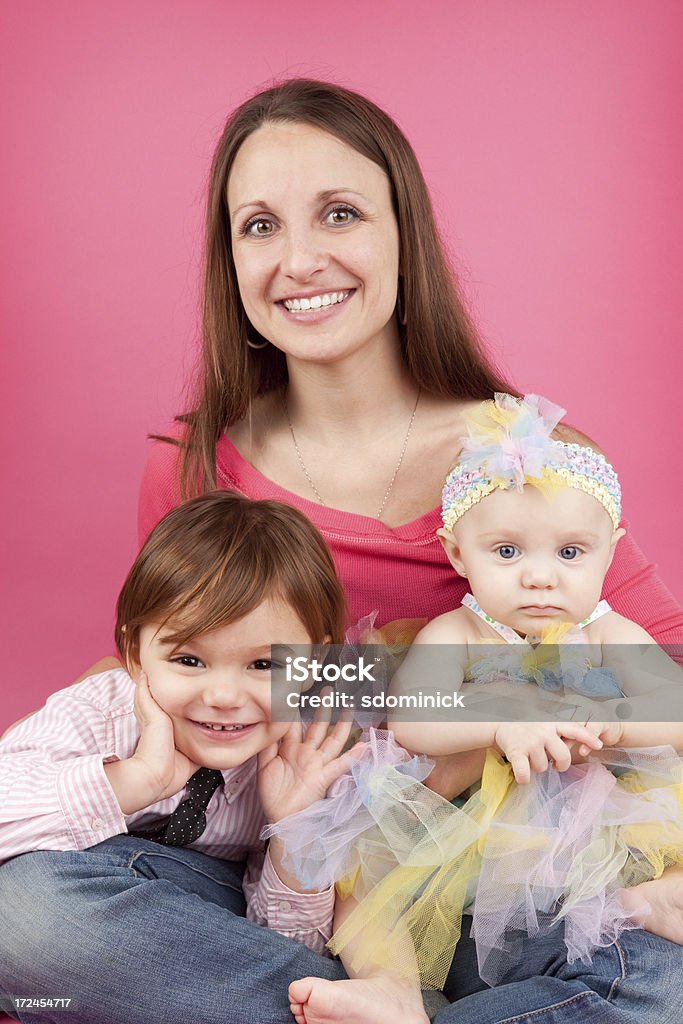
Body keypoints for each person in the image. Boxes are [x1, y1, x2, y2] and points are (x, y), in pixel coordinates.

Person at [5, 78, 683, 1024]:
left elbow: (659, 672)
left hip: (506, 881)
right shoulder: (193, 462)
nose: (298, 259)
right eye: (258, 227)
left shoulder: (516, 459)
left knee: (665, 970)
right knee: (27, 917)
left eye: (338, 213)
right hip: (273, 879)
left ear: (404, 234)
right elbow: (179, 669)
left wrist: (396, 700)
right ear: (228, 261)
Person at [272, 393, 683, 1024]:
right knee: (358, 877)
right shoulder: (458, 632)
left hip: (593, 824)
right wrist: (501, 721)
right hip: (453, 824)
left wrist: (615, 718)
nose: (540, 578)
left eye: (570, 553)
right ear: (459, 554)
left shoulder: (608, 631)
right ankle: (390, 984)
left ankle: (644, 903)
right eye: (508, 552)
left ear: (610, 549)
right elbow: (415, 716)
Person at [0, 491, 363, 1022]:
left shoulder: (304, 755)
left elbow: (288, 945)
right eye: (189, 659)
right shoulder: (101, 709)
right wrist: (135, 781)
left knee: (22, 910)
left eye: (264, 666)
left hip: (204, 923)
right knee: (23, 906)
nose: (223, 696)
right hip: (99, 917)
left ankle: (339, 1005)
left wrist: (291, 831)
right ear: (133, 652)